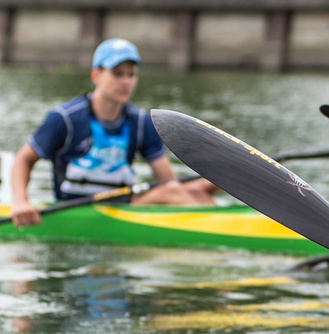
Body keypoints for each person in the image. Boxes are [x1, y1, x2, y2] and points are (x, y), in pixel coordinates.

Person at [10, 38, 216, 227]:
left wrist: (211, 181)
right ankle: (214, 227)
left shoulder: (141, 122)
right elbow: (23, 159)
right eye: (117, 74)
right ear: (96, 75)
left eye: (131, 75)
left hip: (123, 204)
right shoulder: (64, 118)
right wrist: (20, 202)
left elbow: (168, 181)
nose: (126, 82)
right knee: (174, 193)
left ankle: (218, 224)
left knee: (197, 189)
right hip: (74, 208)